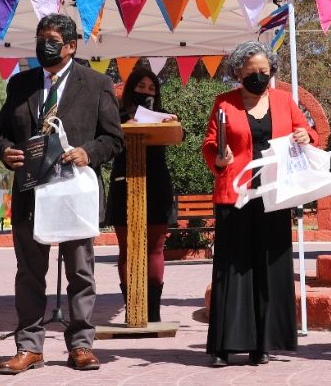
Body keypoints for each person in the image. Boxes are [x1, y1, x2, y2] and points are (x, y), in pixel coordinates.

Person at [0, 14, 124, 374]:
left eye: (50, 39)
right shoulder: (19, 84)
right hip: (30, 193)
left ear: (70, 45)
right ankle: (29, 347)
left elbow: (114, 139)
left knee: (80, 271)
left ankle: (81, 344)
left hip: (72, 193)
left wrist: (88, 153)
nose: (43, 45)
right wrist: (5, 151)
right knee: (29, 273)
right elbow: (1, 132)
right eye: (39, 38)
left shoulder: (97, 84)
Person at [201, 41, 316, 367]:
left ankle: (262, 344)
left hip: (274, 195)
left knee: (269, 270)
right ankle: (224, 347)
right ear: (238, 72)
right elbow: (210, 145)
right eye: (252, 72)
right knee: (232, 269)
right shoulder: (223, 103)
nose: (258, 77)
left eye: (264, 72)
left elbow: (307, 131)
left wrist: (307, 136)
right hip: (234, 195)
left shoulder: (283, 101)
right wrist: (219, 158)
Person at [105, 67, 182, 322]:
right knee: (128, 249)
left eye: (151, 88)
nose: (146, 91)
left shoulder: (162, 117)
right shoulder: (115, 114)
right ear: (130, 89)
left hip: (157, 184)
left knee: (155, 248)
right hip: (124, 182)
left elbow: (181, 135)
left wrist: (171, 122)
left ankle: (153, 310)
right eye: (141, 87)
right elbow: (104, 139)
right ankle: (133, 306)